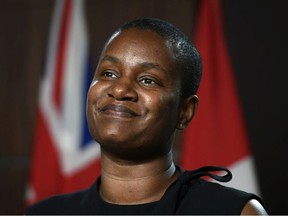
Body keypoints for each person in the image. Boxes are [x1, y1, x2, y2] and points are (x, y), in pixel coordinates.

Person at [25, 18, 268, 215]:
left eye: (147, 80)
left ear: (185, 111)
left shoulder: (235, 212)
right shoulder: (45, 213)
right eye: (109, 73)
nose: (120, 90)